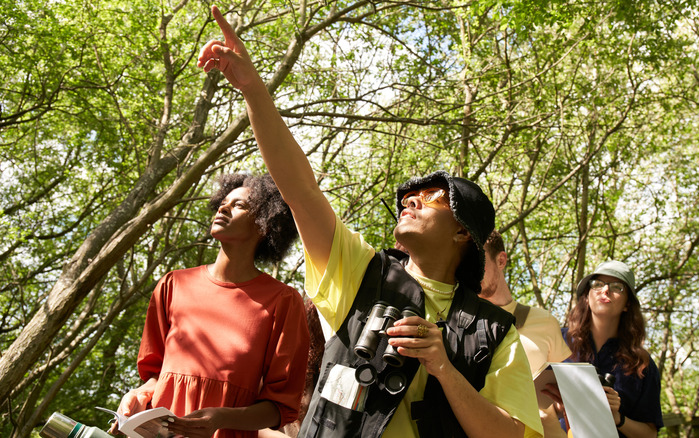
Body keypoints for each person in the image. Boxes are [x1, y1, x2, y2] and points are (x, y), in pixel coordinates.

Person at [197, 6, 544, 438]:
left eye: (430, 200)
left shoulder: (493, 331)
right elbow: (299, 189)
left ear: (462, 233)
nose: (410, 203)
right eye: (407, 199)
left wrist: (444, 369)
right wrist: (252, 89)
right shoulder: (361, 273)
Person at [111, 173, 310, 438]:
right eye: (223, 201)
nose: (223, 207)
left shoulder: (283, 301)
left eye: (239, 205)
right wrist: (139, 395)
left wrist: (223, 417)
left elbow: (280, 407)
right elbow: (154, 375)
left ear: (266, 225)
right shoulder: (173, 284)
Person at [479, 230, 571, 437]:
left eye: (478, 260)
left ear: (501, 260)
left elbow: (562, 397)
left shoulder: (543, 321)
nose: (472, 271)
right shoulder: (455, 323)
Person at [560, 260, 664, 438]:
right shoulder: (558, 341)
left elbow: (650, 434)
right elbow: (534, 403)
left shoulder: (642, 364)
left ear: (627, 305)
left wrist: (617, 418)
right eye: (597, 284)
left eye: (617, 287)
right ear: (587, 296)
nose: (605, 290)